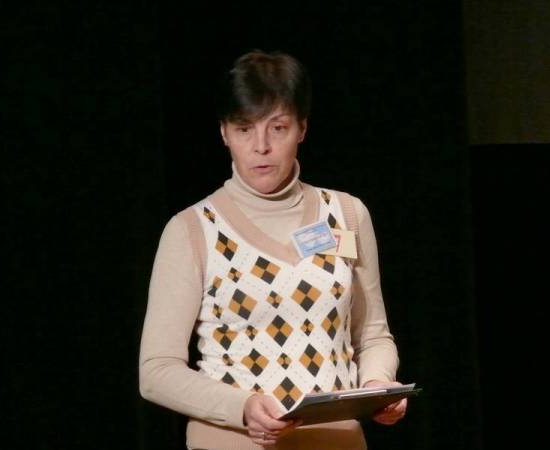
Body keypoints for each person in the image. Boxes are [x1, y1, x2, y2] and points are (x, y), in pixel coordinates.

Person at [139, 49, 407, 450]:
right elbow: (157, 371)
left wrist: (376, 384)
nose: (261, 146)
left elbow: (372, 335)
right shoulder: (192, 229)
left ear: (302, 128)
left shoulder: (347, 214)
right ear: (224, 133)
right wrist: (242, 407)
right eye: (244, 129)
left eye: (277, 128)